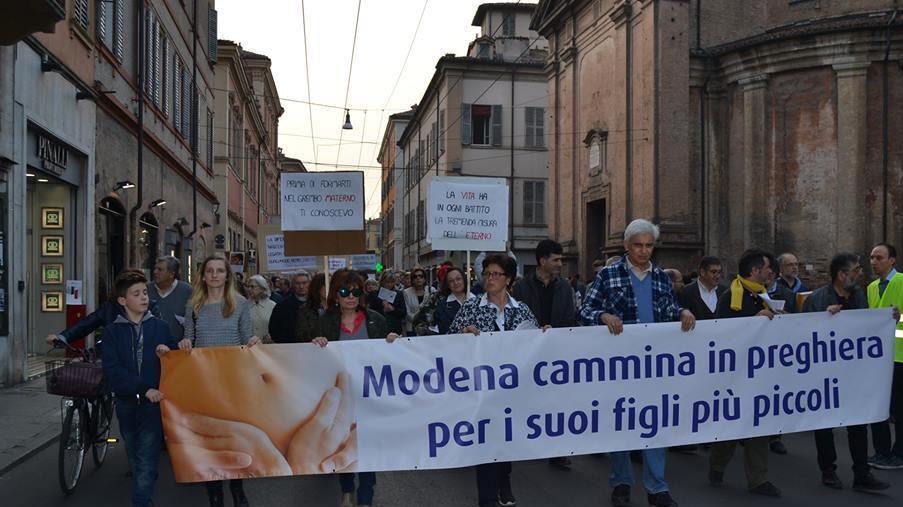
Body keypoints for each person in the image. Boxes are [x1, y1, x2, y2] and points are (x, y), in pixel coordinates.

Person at [579, 219, 692, 507]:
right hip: (619, 365)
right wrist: (603, 316)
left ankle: (657, 488)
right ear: (627, 245)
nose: (644, 251)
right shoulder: (607, 275)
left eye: (649, 245)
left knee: (655, 422)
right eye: (638, 245)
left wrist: (681, 311)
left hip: (654, 365)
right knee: (621, 424)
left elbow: (667, 308)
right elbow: (585, 309)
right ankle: (621, 482)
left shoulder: (661, 277)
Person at [449, 253, 539, 507]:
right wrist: (462, 334)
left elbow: (534, 346)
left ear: (508, 279)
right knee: (486, 446)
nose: (489, 278)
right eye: (486, 273)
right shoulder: (471, 307)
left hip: (511, 392)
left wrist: (545, 336)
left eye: (496, 274)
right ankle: (487, 498)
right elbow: (447, 342)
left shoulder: (522, 310)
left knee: (505, 442)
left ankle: (504, 479)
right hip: (481, 393)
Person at [802, 253, 890, 491]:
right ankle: (828, 470)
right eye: (856, 270)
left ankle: (862, 473)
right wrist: (824, 319)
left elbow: (867, 328)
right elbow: (802, 336)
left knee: (858, 423)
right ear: (842, 275)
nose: (860, 273)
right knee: (824, 423)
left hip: (853, 374)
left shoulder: (859, 296)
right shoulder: (818, 299)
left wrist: (887, 319)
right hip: (825, 374)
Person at [311, 270, 399, 507]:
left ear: (361, 295)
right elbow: (315, 358)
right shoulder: (325, 320)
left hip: (369, 395)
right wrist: (317, 343)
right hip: (341, 397)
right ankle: (347, 489)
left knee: (367, 446)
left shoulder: (376, 320)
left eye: (355, 292)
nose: (350, 296)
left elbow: (388, 356)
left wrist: (392, 342)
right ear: (335, 296)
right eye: (344, 291)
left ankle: (366, 496)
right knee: (344, 445)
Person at [178, 255, 259, 507]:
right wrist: (184, 343)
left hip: (233, 380)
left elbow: (246, 338)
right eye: (209, 271)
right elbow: (188, 337)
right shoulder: (193, 305)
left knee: (233, 438)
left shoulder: (241, 304)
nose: (214, 275)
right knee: (209, 438)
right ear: (203, 276)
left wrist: (255, 342)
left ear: (227, 276)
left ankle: (237, 487)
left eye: (219, 271)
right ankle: (215, 493)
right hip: (204, 381)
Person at [100, 270, 177, 507]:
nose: (144, 297)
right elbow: (113, 371)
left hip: (153, 404)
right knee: (134, 452)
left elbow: (175, 361)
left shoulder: (161, 327)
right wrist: (143, 388)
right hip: (125, 402)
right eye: (137, 294)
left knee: (146, 454)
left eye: (145, 292)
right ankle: (145, 477)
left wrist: (170, 352)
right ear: (123, 301)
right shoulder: (112, 332)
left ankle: (141, 500)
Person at [708, 248, 781, 497]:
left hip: (760, 374)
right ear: (754, 271)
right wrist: (755, 320)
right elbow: (723, 335)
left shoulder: (766, 296)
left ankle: (758, 479)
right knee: (732, 426)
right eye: (766, 267)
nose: (770, 271)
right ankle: (717, 465)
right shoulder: (730, 298)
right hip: (735, 376)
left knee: (758, 427)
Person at [512, 240, 578, 471]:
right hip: (529, 353)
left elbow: (570, 318)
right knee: (528, 399)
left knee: (556, 402)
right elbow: (517, 319)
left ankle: (556, 450)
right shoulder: (521, 287)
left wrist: (560, 338)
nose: (560, 263)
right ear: (542, 260)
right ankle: (525, 440)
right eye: (556, 259)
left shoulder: (565, 287)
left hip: (557, 353)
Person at [867, 242, 903, 470]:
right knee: (877, 406)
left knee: (899, 410)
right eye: (871, 257)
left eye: (879, 258)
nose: (873, 262)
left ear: (892, 260)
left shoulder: (902, 282)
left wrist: (899, 321)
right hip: (878, 359)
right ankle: (881, 452)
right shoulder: (870, 287)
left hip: (900, 357)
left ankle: (899, 454)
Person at [146, 255, 192, 339]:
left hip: (178, 347)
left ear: (171, 274)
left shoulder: (187, 291)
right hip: (151, 345)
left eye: (160, 269)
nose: (155, 272)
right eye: (155, 268)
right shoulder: (146, 290)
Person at [268, 271, 312, 343]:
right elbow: (274, 330)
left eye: (304, 283)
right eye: (298, 283)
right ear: (293, 285)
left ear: (309, 284)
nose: (301, 286)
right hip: (289, 348)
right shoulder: (282, 306)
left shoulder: (316, 305)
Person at [677, 256, 725, 321]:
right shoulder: (686, 292)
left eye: (719, 272)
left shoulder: (724, 291)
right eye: (713, 272)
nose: (718, 276)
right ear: (702, 272)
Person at [431, 267, 475, 335]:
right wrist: (462, 330)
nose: (455, 283)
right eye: (451, 281)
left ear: (464, 279)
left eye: (458, 279)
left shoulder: (479, 301)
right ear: (447, 284)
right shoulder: (442, 306)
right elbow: (443, 330)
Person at [367, 271, 406, 335]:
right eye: (387, 282)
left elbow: (403, 312)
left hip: (395, 329)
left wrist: (393, 309)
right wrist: (382, 309)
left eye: (391, 282)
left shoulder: (399, 294)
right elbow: (370, 312)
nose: (389, 284)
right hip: (378, 328)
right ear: (382, 281)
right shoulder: (374, 294)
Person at [403, 266, 435, 335]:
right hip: (412, 328)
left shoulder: (431, 290)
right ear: (412, 280)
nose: (418, 278)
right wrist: (417, 319)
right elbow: (407, 313)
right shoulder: (406, 292)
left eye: (421, 276)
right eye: (415, 276)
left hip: (428, 328)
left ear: (424, 279)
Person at [245, 275, 276, 343]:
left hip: (268, 346)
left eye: (252, 287)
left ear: (262, 288)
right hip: (248, 346)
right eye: (248, 286)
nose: (249, 289)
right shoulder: (244, 306)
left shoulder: (273, 306)